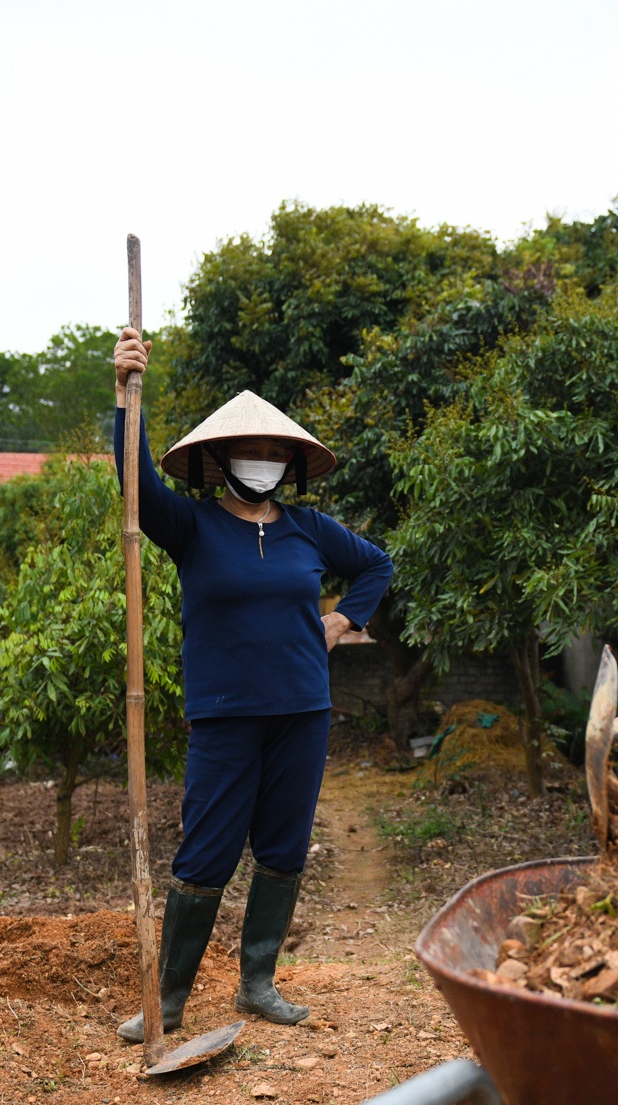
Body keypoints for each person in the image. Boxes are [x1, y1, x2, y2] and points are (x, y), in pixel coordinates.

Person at [111, 327, 392, 1043]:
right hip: (225, 716)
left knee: (284, 848)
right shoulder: (192, 526)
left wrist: (341, 620)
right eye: (250, 450)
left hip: (304, 711)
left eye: (274, 452)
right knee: (205, 852)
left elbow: (377, 566)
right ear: (219, 458)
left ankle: (257, 983)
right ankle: (166, 1000)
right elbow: (136, 484)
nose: (262, 461)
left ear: (290, 462)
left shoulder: (308, 529)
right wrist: (125, 400)